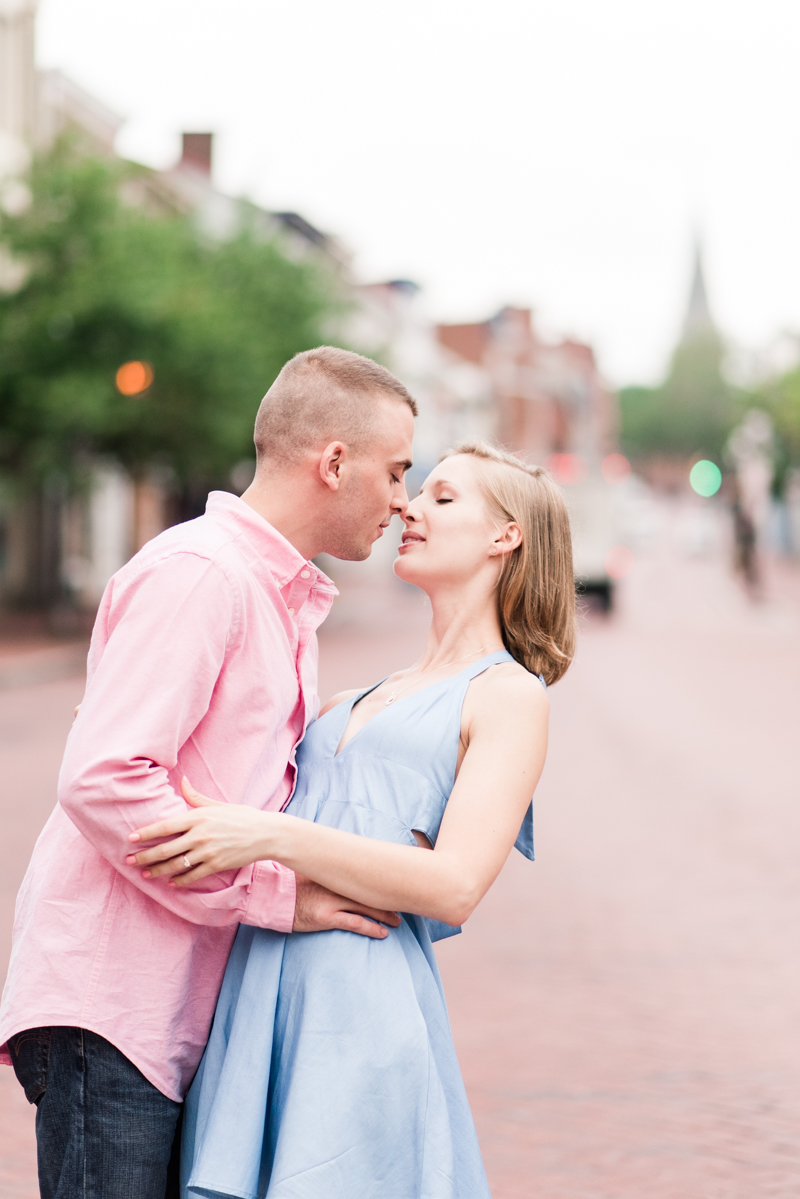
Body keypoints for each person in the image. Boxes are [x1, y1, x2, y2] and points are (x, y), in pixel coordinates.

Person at [0, 346, 418, 1199]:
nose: (403, 499)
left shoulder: (274, 594)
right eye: (398, 471)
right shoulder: (204, 575)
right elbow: (106, 777)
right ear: (335, 463)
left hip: (171, 1004)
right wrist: (277, 894)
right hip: (115, 1004)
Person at [128, 441, 576, 1199]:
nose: (409, 507)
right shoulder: (353, 699)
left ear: (506, 536)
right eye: (415, 490)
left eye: (442, 497)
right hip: (260, 995)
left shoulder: (508, 695)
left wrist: (269, 836)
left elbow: (456, 884)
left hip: (359, 1008)